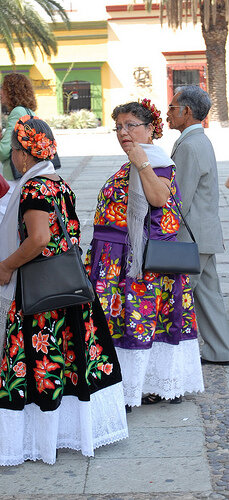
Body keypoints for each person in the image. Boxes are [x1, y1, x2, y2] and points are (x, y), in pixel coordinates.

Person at [0, 115, 128, 466]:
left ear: (25, 155)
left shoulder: (33, 188)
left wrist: (6, 266)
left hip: (36, 293)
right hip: (65, 287)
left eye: (14, 150)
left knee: (35, 363)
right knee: (66, 360)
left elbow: (40, 239)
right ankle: (60, 432)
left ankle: (35, 439)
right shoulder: (56, 182)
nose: (12, 157)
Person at [85, 99, 204, 408]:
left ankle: (140, 387)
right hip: (114, 258)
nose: (123, 132)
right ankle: (132, 385)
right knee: (124, 323)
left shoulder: (157, 161)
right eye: (118, 127)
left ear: (150, 129)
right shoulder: (133, 161)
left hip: (136, 261)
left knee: (137, 322)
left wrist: (141, 162)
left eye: (130, 126)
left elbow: (159, 197)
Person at [168, 86, 229, 366]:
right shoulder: (196, 140)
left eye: (172, 108)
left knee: (174, 296)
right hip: (203, 234)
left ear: (187, 112)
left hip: (191, 237)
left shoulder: (190, 145)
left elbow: (179, 198)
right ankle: (221, 350)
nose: (168, 113)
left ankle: (169, 356)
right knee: (208, 294)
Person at [0, 73, 37, 261]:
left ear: (11, 91)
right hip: (23, 176)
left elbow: (4, 152)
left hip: (13, 179)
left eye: (3, 88)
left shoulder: (16, 113)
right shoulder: (28, 111)